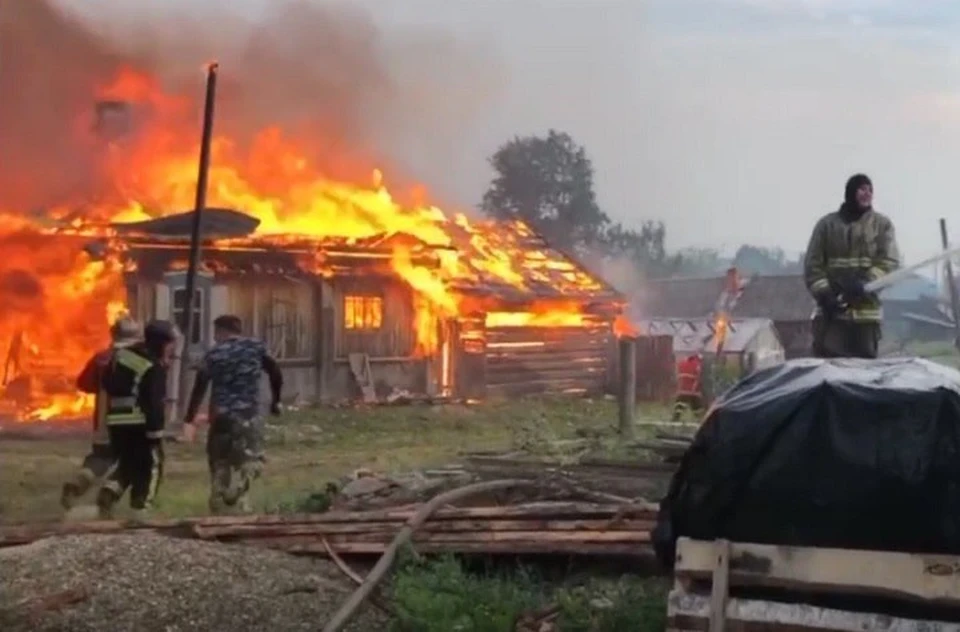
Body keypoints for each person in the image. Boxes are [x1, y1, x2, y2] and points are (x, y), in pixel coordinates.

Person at [182, 314, 283, 514]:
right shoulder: (256, 347)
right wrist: (275, 400)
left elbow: (200, 385)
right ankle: (239, 491)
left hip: (220, 416)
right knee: (252, 459)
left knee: (220, 460)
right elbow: (275, 371)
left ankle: (218, 500)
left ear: (220, 331)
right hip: (249, 414)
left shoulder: (213, 354)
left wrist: (189, 417)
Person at [804, 174, 900, 359]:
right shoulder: (826, 226)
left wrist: (866, 282)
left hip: (866, 320)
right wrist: (825, 296)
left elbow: (889, 261)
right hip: (832, 319)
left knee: (864, 378)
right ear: (850, 192)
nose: (868, 194)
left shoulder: (882, 226)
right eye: (862, 189)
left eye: (870, 190)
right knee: (829, 374)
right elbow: (813, 266)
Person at [95, 320, 176, 519]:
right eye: (170, 344)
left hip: (116, 422)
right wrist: (156, 433)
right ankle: (140, 509)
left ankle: (110, 491)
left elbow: (105, 382)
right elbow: (154, 401)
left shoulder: (121, 356)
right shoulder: (152, 365)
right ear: (163, 343)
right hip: (140, 423)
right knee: (151, 465)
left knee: (129, 463)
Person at [60, 317, 142, 511]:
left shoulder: (101, 358)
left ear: (113, 334)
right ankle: (110, 492)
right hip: (134, 420)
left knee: (100, 457)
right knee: (134, 459)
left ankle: (79, 482)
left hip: (104, 421)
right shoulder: (142, 358)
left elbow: (84, 384)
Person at [672, 353, 703, 421]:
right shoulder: (696, 364)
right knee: (697, 407)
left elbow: (678, 376)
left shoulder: (681, 363)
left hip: (682, 390)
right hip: (692, 391)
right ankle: (701, 421)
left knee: (679, 405)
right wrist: (696, 389)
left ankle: (675, 419)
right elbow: (697, 378)